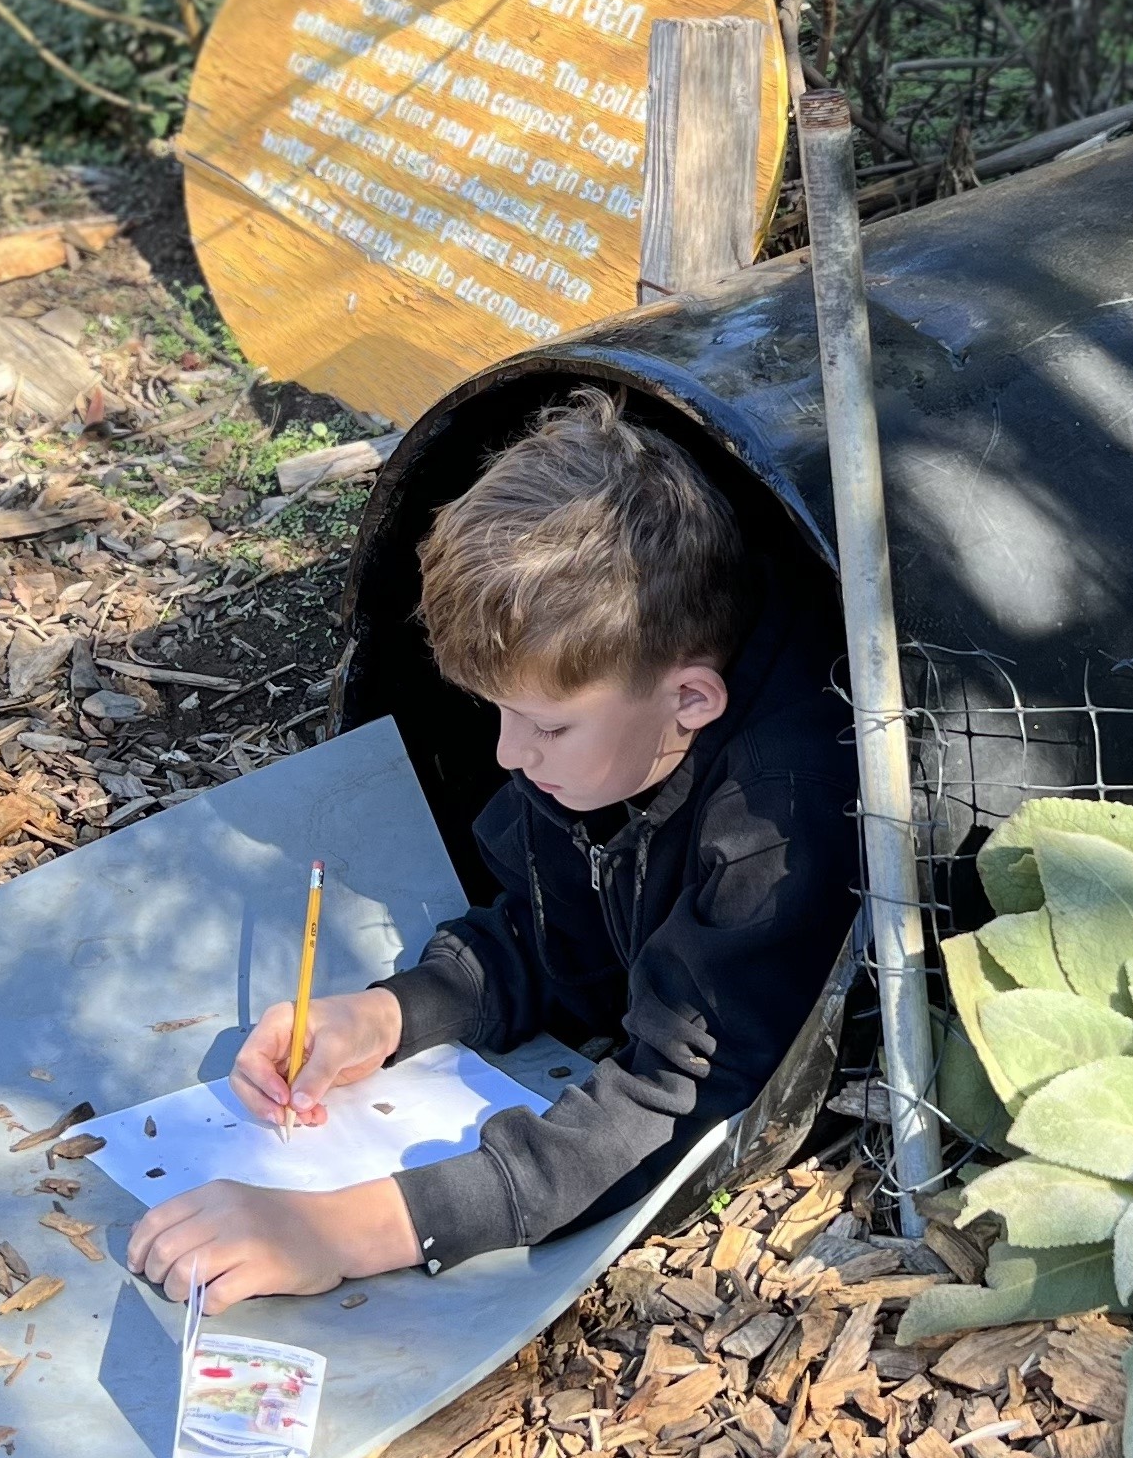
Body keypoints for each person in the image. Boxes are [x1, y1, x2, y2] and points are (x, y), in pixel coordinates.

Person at [127, 391, 852, 1306]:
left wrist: (349, 1228)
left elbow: (681, 1105)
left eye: (544, 725)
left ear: (692, 701)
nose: (509, 755)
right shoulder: (603, 732)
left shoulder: (775, 827)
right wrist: (387, 1017)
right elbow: (558, 938)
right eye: (497, 714)